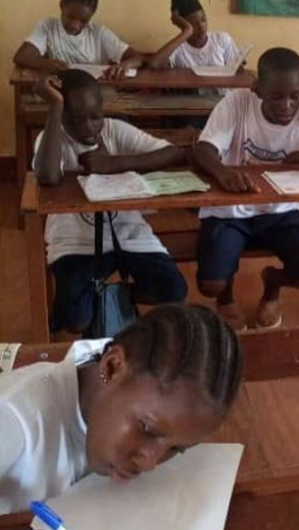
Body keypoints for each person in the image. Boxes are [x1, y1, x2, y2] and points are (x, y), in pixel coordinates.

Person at [0, 304, 242, 530]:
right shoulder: (13, 422)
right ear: (112, 367)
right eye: (147, 430)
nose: (150, 462)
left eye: (177, 450)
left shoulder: (117, 382)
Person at [194, 48, 299, 331]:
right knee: (211, 283)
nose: (287, 105)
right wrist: (223, 172)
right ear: (257, 89)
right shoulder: (236, 105)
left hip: (280, 212)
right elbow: (203, 150)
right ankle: (225, 298)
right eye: (276, 97)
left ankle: (273, 282)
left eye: (294, 96)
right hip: (230, 210)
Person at [32, 70, 188, 335]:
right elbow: (47, 176)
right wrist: (54, 105)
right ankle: (87, 300)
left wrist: (115, 163)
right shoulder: (51, 138)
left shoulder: (114, 130)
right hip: (75, 240)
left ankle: (110, 294)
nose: (89, 127)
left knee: (173, 291)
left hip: (127, 231)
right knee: (76, 322)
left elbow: (172, 153)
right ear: (62, 116)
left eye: (95, 117)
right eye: (76, 119)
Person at [13, 0, 146, 79]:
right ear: (61, 6)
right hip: (62, 93)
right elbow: (21, 57)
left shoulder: (98, 33)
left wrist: (123, 65)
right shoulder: (47, 27)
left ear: (91, 17)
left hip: (95, 96)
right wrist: (45, 64)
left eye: (83, 21)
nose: (75, 25)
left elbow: (139, 58)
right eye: (70, 17)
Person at [147, 0, 245, 86]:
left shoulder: (222, 40)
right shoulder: (178, 46)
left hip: (221, 99)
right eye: (193, 24)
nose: (202, 28)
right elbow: (154, 64)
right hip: (189, 101)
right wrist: (187, 31)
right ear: (183, 24)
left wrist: (238, 68)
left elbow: (236, 76)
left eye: (203, 20)